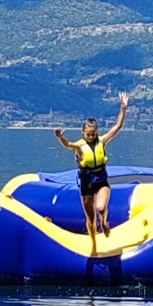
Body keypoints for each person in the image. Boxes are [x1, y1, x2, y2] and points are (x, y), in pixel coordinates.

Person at [54, 92, 129, 254]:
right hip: (86, 184)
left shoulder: (102, 141)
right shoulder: (79, 146)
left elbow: (117, 127)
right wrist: (60, 137)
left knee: (101, 208)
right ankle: (94, 245)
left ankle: (104, 222)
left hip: (101, 180)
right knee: (90, 218)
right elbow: (67, 145)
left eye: (93, 134)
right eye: (88, 134)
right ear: (83, 132)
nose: (91, 137)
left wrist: (123, 107)